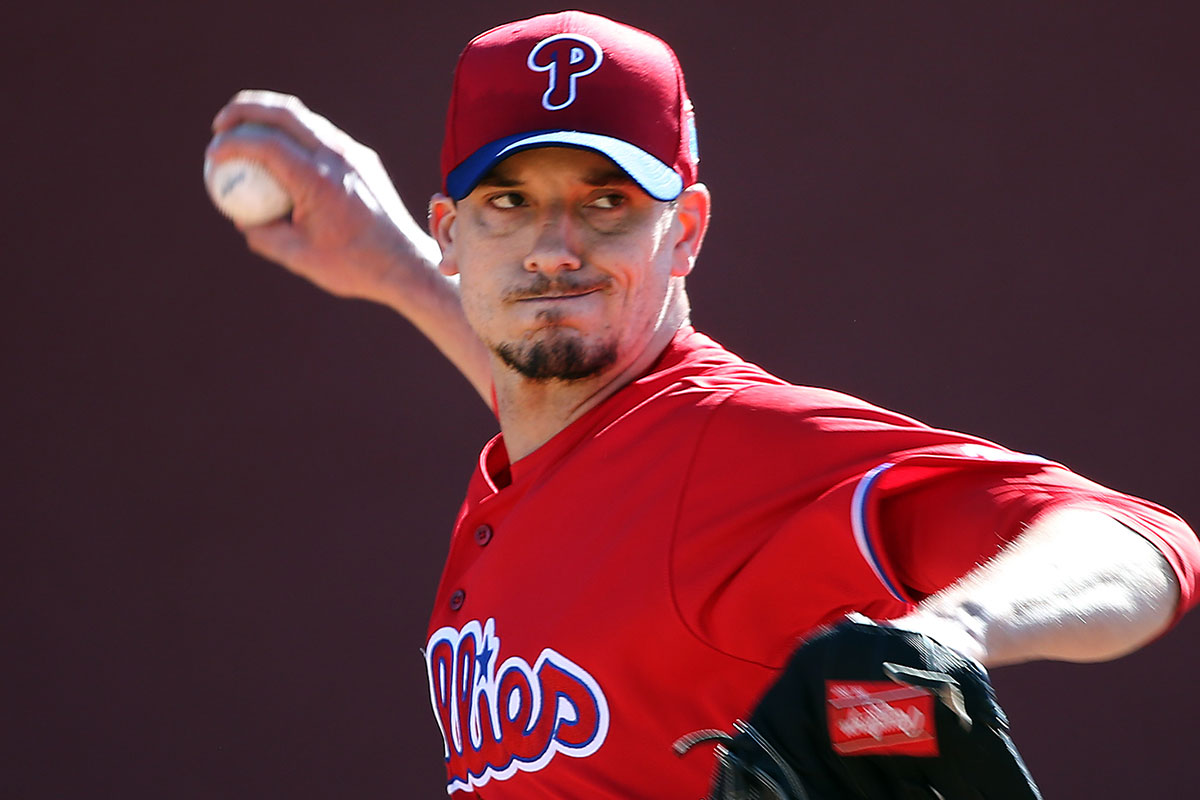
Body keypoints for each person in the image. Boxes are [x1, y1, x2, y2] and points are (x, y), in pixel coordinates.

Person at [205, 10, 1199, 799]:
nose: (553, 246)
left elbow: (1138, 540)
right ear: (450, 232)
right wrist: (393, 266)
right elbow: (584, 445)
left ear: (684, 231)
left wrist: (949, 633)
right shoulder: (559, 448)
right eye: (509, 201)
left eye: (608, 202)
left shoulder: (738, 447)